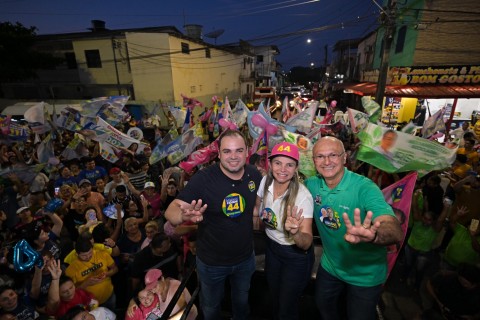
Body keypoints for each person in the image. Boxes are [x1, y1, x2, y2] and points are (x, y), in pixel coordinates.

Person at [165, 129, 262, 320]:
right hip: (212, 263)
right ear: (219, 154)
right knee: (210, 307)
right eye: (227, 151)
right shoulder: (204, 179)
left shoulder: (254, 175)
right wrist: (184, 215)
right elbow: (171, 211)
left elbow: (257, 207)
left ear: (247, 152)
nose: (233, 156)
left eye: (239, 150)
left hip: (245, 258)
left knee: (241, 302)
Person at [305, 136, 403, 320]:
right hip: (330, 266)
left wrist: (373, 236)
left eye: (333, 155)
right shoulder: (311, 185)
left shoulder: (364, 188)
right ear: (314, 161)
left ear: (345, 158)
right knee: (323, 306)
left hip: (365, 274)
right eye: (320, 156)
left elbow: (394, 229)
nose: (326, 161)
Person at [254, 142, 314, 320]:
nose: (283, 169)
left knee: (287, 306)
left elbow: (307, 242)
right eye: (278, 163)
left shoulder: (303, 197)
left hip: (295, 256)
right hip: (272, 248)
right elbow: (257, 209)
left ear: (296, 168)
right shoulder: (265, 182)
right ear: (270, 165)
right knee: (274, 296)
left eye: (289, 164)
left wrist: (295, 232)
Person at [65, 238, 118, 309]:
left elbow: (115, 269)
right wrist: (86, 284)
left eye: (90, 253)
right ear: (77, 254)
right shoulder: (71, 269)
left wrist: (107, 274)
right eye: (84, 255)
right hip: (89, 303)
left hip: (109, 296)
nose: (88, 257)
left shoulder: (102, 254)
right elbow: (71, 293)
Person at [125, 268, 197, 320]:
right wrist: (132, 301)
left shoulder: (175, 290)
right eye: (151, 288)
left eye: (155, 286)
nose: (153, 290)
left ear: (162, 278)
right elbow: (142, 295)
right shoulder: (159, 290)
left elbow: (185, 310)